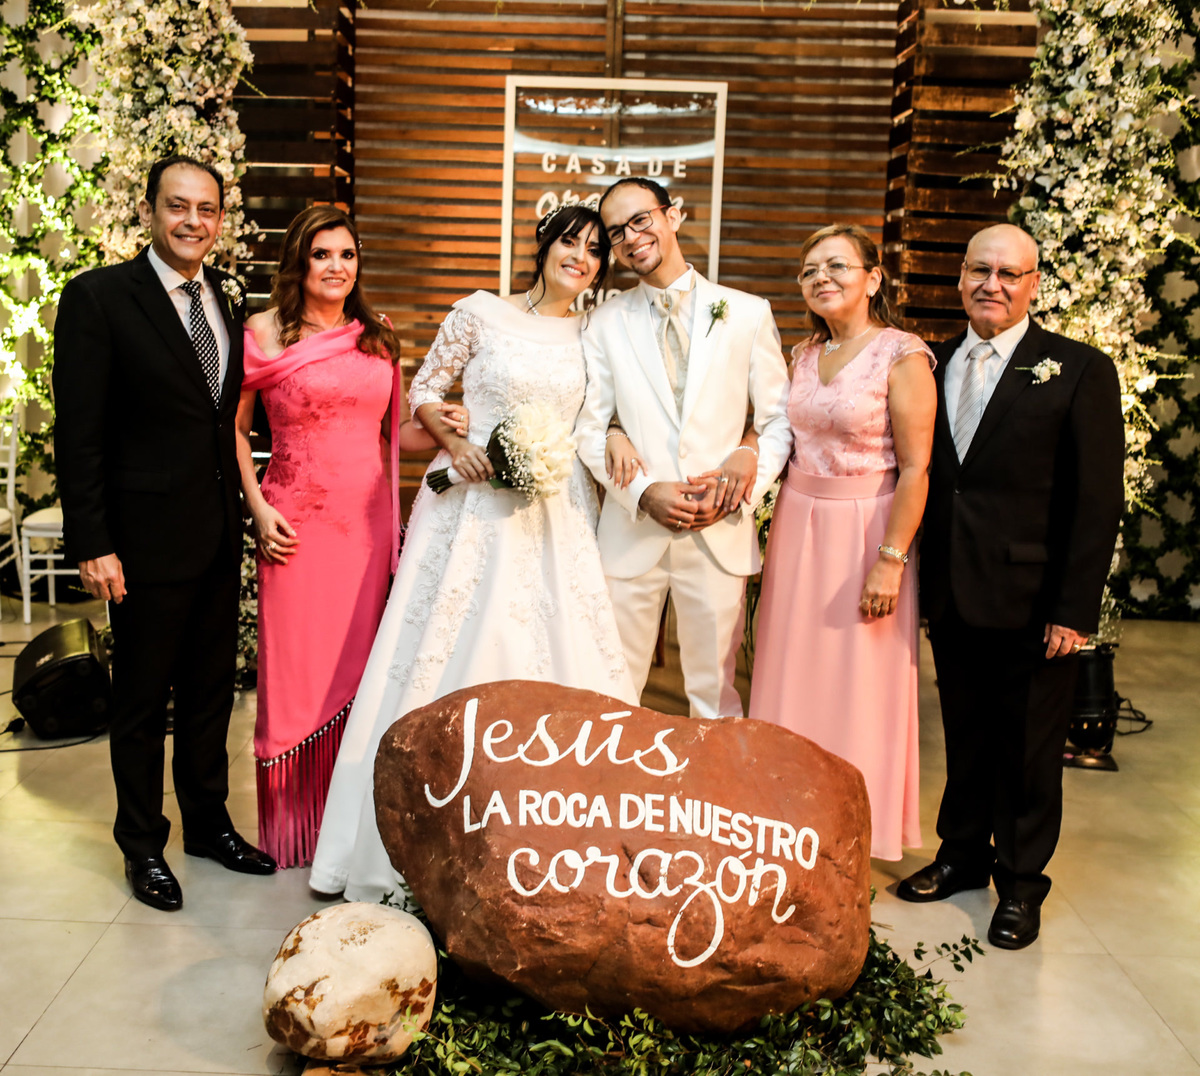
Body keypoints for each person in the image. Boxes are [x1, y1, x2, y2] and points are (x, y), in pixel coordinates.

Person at [309, 204, 637, 902]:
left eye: (594, 250)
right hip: (469, 504)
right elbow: (425, 389)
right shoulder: (480, 312)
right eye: (570, 242)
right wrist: (454, 440)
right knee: (439, 651)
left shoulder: (595, 332)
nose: (580, 258)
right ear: (543, 245)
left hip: (555, 512)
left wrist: (613, 434)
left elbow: (601, 415)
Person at [54, 155, 276, 912]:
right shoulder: (99, 298)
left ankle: (208, 825)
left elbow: (222, 421)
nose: (192, 221)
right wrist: (93, 542)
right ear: (150, 210)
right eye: (178, 206)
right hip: (141, 540)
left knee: (212, 693)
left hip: (216, 533)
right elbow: (79, 435)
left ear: (221, 220)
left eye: (206, 209)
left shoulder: (226, 296)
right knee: (144, 701)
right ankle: (143, 844)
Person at [897, 224, 1124, 950]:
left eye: (1009, 273)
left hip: (1034, 599)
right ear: (961, 277)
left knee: (1028, 748)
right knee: (965, 734)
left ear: (1034, 284)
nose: (991, 284)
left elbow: (1097, 501)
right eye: (980, 270)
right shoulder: (930, 362)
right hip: (952, 588)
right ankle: (962, 855)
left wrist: (1073, 610)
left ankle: (1021, 883)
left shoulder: (1078, 369)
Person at [234, 206, 466, 869]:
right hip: (296, 530)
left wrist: (450, 423)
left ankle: (355, 828)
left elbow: (395, 436)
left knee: (365, 675)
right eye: (321, 254)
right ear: (298, 262)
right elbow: (234, 429)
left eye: (347, 254)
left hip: (365, 535)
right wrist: (257, 509)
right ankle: (296, 831)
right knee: (298, 679)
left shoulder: (379, 336)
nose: (336, 267)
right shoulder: (263, 333)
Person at [747, 224, 937, 862]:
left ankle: (850, 838)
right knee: (790, 677)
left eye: (836, 265)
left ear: (873, 278)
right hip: (798, 524)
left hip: (866, 532)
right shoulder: (802, 354)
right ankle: (781, 824)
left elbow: (917, 468)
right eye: (809, 271)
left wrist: (891, 560)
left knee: (857, 689)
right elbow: (777, 435)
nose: (820, 278)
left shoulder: (903, 355)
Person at [575, 177, 792, 720]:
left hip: (718, 530)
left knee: (714, 698)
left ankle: (711, 779)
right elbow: (588, 427)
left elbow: (777, 420)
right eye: (616, 232)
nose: (631, 237)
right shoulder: (603, 322)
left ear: (673, 216)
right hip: (633, 532)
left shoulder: (747, 313)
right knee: (613, 692)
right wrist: (643, 493)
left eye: (640, 220)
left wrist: (740, 484)